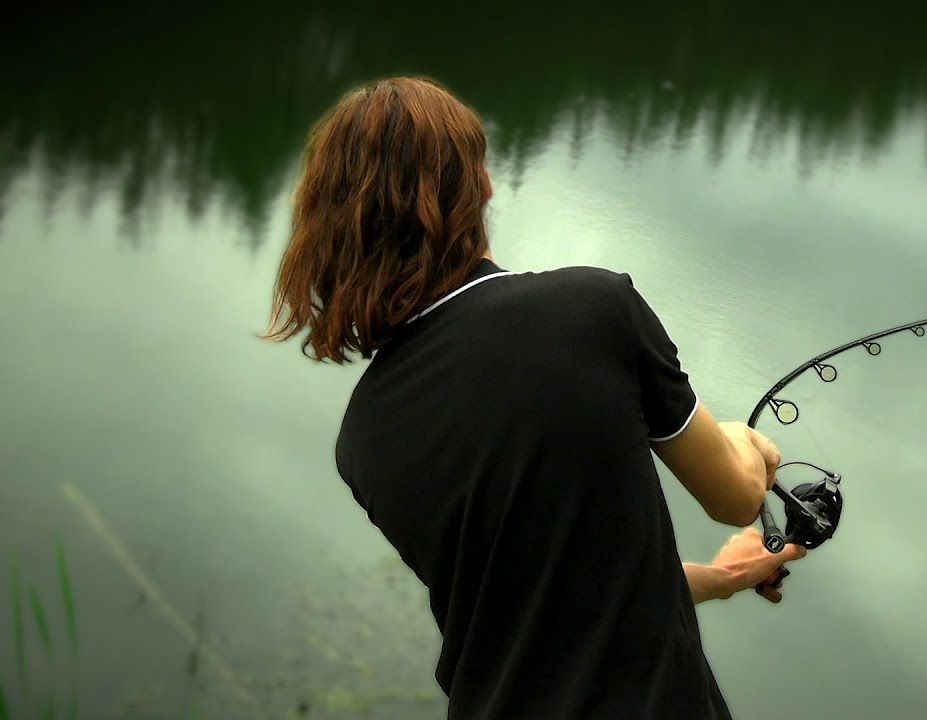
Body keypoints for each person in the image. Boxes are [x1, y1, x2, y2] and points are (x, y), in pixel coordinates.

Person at [260, 75, 807, 720]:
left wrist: (724, 579)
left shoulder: (363, 436)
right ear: (478, 188)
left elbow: (534, 607)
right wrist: (751, 446)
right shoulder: (591, 310)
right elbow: (736, 497)